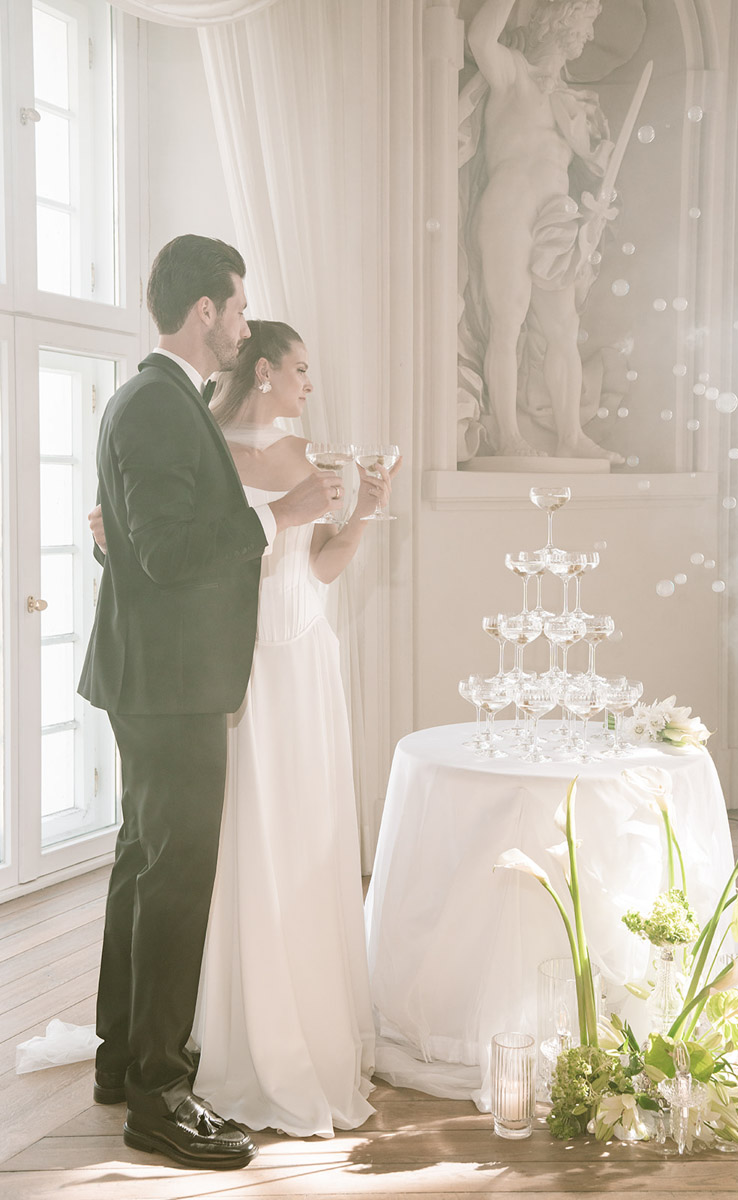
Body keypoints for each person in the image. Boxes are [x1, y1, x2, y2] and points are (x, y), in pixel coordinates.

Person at [79, 236, 341, 1170]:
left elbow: (136, 536)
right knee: (174, 879)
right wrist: (281, 515)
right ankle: (159, 1098)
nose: (242, 323)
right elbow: (166, 552)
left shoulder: (154, 399)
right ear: (206, 311)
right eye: (237, 307)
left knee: (144, 865)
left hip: (158, 677)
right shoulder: (158, 403)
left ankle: (123, 1061)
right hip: (173, 684)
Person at [189, 320, 397, 1136]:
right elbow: (210, 559)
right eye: (301, 369)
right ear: (265, 371)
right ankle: (248, 1031)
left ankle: (313, 1020)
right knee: (250, 839)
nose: (311, 383)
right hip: (246, 669)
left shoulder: (310, 452)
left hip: (307, 659)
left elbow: (316, 568)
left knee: (311, 837)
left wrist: (365, 513)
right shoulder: (208, 451)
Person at [465, 0, 623, 462]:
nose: (587, 36)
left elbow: (594, 169)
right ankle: (508, 437)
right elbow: (479, 39)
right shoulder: (514, 73)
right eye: (583, 23)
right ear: (555, 21)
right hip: (510, 205)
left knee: (563, 330)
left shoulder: (572, 102)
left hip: (559, 213)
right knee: (508, 321)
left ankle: (571, 436)